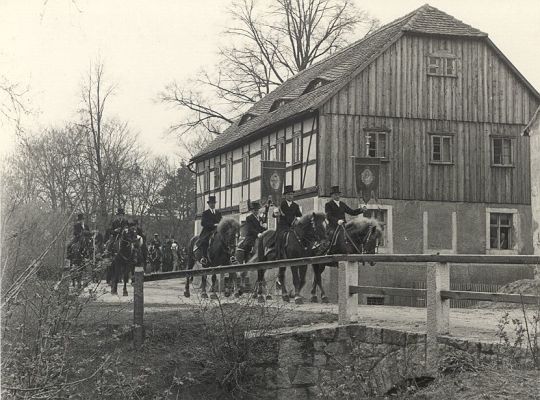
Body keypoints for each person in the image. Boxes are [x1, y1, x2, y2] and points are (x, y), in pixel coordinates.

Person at [273, 185, 302, 259]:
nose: (290, 196)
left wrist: (297, 219)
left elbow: (299, 215)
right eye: (288, 194)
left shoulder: (296, 205)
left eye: (291, 194)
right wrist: (276, 212)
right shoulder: (281, 204)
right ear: (285, 196)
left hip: (292, 226)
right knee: (280, 237)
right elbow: (274, 215)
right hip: (283, 227)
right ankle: (278, 254)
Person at [196, 196, 222, 265]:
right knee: (205, 241)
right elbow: (203, 223)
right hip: (207, 231)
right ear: (209, 204)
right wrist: (213, 225)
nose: (212, 204)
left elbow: (221, 221)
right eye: (211, 203)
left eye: (213, 203)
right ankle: (204, 258)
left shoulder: (218, 213)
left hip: (217, 231)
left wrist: (220, 225)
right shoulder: (205, 213)